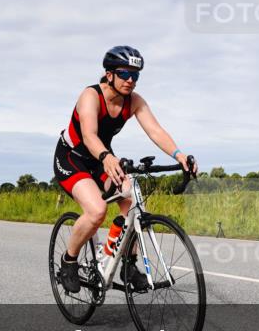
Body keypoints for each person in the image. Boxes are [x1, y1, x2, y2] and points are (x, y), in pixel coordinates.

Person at [53, 46, 197, 294]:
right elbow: (88, 135)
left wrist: (179, 154)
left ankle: (127, 266)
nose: (131, 81)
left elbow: (155, 131)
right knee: (97, 210)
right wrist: (107, 156)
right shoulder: (90, 96)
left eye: (136, 75)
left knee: (132, 201)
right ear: (109, 74)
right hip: (72, 157)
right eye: (124, 74)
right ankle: (69, 261)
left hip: (101, 158)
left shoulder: (135, 101)